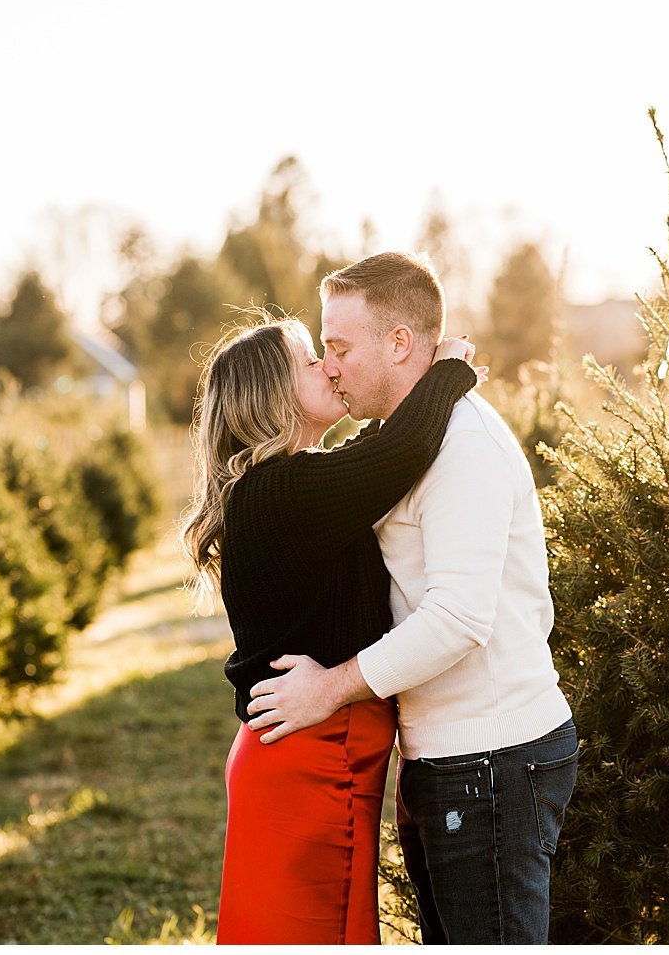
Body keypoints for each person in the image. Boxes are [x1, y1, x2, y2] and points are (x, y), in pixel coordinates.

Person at [246, 251, 578, 945]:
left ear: (399, 343)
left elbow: (458, 618)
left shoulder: (463, 446)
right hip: (445, 756)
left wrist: (329, 689)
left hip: (491, 757)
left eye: (338, 346)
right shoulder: (398, 443)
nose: (328, 364)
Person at [181, 311, 481, 945]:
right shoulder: (283, 491)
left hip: (305, 751)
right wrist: (449, 369)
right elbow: (399, 452)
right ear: (274, 395)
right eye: (309, 360)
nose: (328, 365)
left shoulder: (288, 484)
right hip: (313, 758)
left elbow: (370, 453)